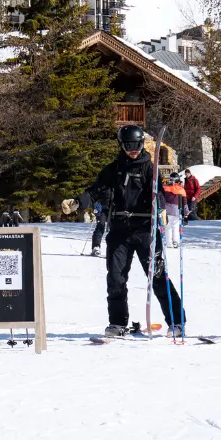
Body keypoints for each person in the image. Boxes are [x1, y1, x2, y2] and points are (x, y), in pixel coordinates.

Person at [90, 124, 184, 338]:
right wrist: (78, 202)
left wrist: (161, 207)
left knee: (158, 276)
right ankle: (117, 322)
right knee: (115, 277)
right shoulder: (113, 169)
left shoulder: (150, 168)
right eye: (129, 145)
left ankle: (177, 320)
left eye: (137, 145)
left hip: (145, 230)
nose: (133, 149)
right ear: (121, 145)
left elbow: (160, 192)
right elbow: (96, 190)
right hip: (119, 230)